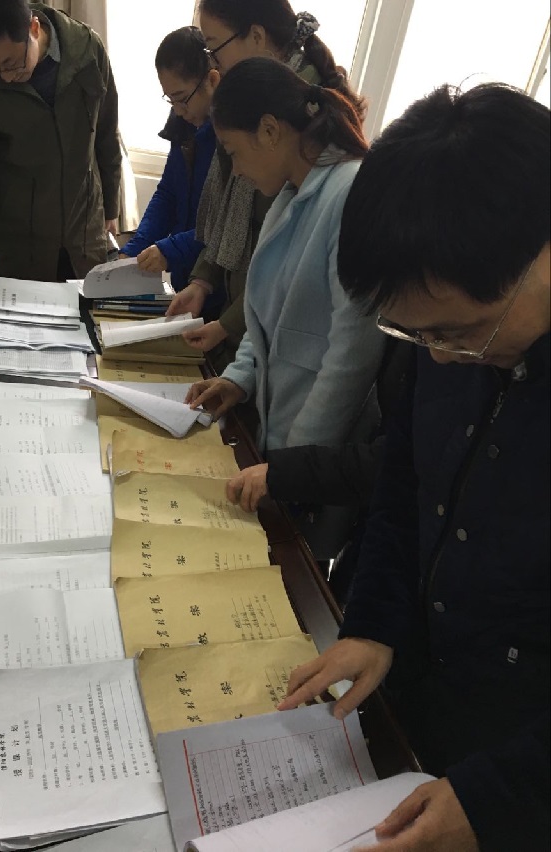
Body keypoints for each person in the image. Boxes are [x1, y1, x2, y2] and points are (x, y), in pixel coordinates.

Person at [279, 83, 550, 851]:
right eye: (416, 334)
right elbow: (404, 486)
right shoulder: (444, 335)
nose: (442, 356)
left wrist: (502, 799)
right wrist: (375, 624)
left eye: (460, 332)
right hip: (423, 722)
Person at [186, 59, 384, 486]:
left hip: (318, 454)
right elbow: (266, 316)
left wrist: (294, 469)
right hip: (281, 440)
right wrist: (237, 379)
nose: (237, 170)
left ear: (269, 130)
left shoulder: (349, 194)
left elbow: (351, 355)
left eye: (234, 153)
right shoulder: (290, 195)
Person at [167, 0, 356, 371]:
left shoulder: (298, 132)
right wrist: (204, 281)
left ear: (256, 36)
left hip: (274, 341)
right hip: (251, 332)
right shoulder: (247, 108)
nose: (212, 62)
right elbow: (229, 211)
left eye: (214, 47)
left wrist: (229, 325)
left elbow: (285, 274)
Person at [0, 0, 122, 294]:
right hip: (18, 251)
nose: (6, 77)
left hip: (84, 239)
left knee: (88, 319)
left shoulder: (86, 49)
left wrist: (111, 209)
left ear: (33, 27)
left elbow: (106, 132)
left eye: (10, 63)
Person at [120, 27, 220, 307]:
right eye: (170, 99)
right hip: (184, 280)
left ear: (212, 80)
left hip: (217, 284)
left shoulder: (232, 138)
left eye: (182, 98)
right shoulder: (183, 126)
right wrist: (135, 249)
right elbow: (168, 193)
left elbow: (226, 221)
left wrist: (171, 248)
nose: (177, 109)